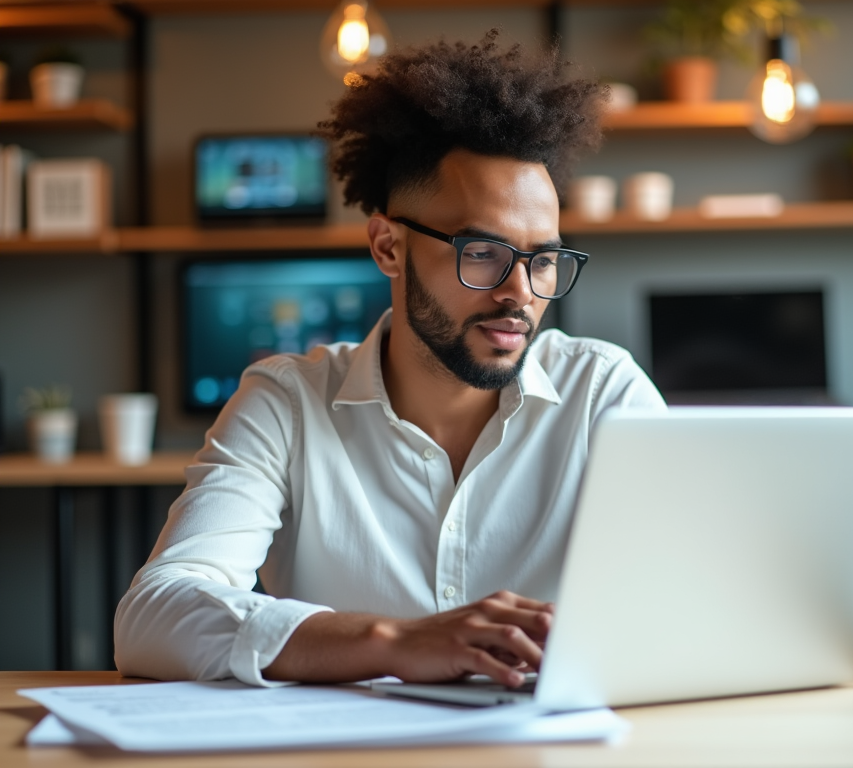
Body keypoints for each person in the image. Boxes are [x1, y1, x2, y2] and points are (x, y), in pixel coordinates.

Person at [114, 31, 665, 688]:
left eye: (542, 259)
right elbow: (154, 615)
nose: (520, 292)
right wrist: (394, 642)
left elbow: (714, 587)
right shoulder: (287, 403)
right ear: (388, 247)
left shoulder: (604, 393)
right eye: (482, 253)